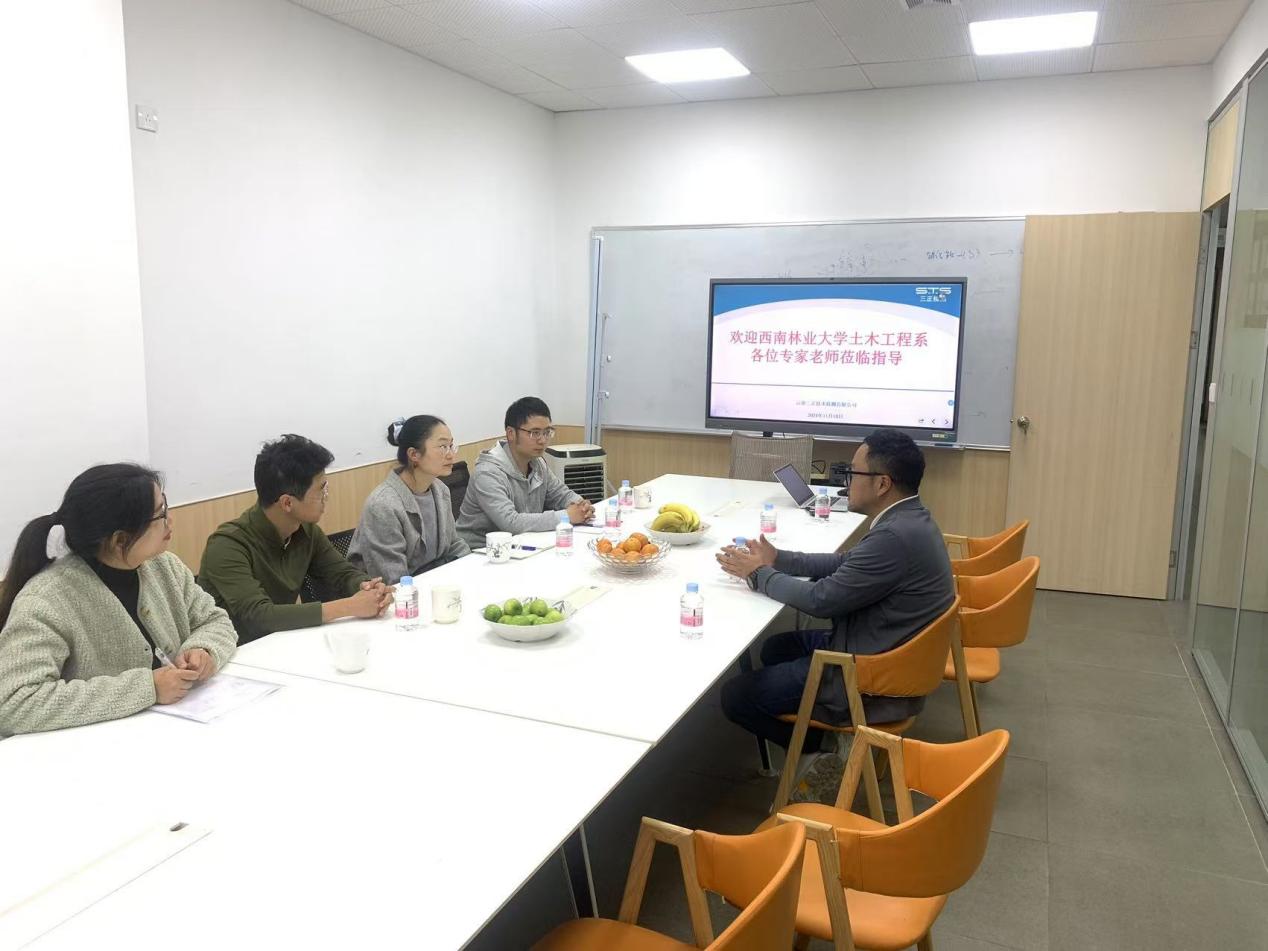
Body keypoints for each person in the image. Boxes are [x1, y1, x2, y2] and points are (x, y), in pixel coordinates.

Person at [716, 429, 955, 750]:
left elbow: (820, 600)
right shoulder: (909, 518)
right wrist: (779, 559)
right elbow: (845, 562)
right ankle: (806, 715)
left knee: (735, 696)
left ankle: (825, 746)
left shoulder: (893, 537)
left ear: (882, 484)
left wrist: (759, 574)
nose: (846, 482)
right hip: (881, 644)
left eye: (853, 473)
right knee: (775, 648)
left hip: (871, 677)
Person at [0, 464, 238, 736]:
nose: (170, 521)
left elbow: (215, 620)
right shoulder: (46, 601)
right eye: (160, 514)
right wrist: (147, 688)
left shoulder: (164, 566)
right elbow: (13, 702)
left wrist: (203, 650)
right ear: (120, 540)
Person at [198, 434, 392, 644]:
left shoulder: (306, 530)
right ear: (287, 503)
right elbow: (259, 616)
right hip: (234, 653)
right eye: (321, 490)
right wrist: (349, 606)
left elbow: (341, 574)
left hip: (282, 642)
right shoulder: (227, 545)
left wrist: (368, 588)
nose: (326, 497)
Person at [456, 397, 595, 547]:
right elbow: (511, 523)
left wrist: (581, 506)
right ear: (511, 433)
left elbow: (560, 494)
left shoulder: (537, 462)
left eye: (547, 432)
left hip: (520, 545)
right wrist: (566, 516)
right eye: (534, 433)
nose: (542, 440)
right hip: (480, 551)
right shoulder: (487, 472)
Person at [348, 415, 471, 583]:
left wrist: (472, 569)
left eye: (451, 446)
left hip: (435, 583)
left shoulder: (441, 490)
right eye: (443, 447)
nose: (451, 455)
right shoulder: (383, 505)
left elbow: (454, 544)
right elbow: (393, 581)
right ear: (414, 454)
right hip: (395, 594)